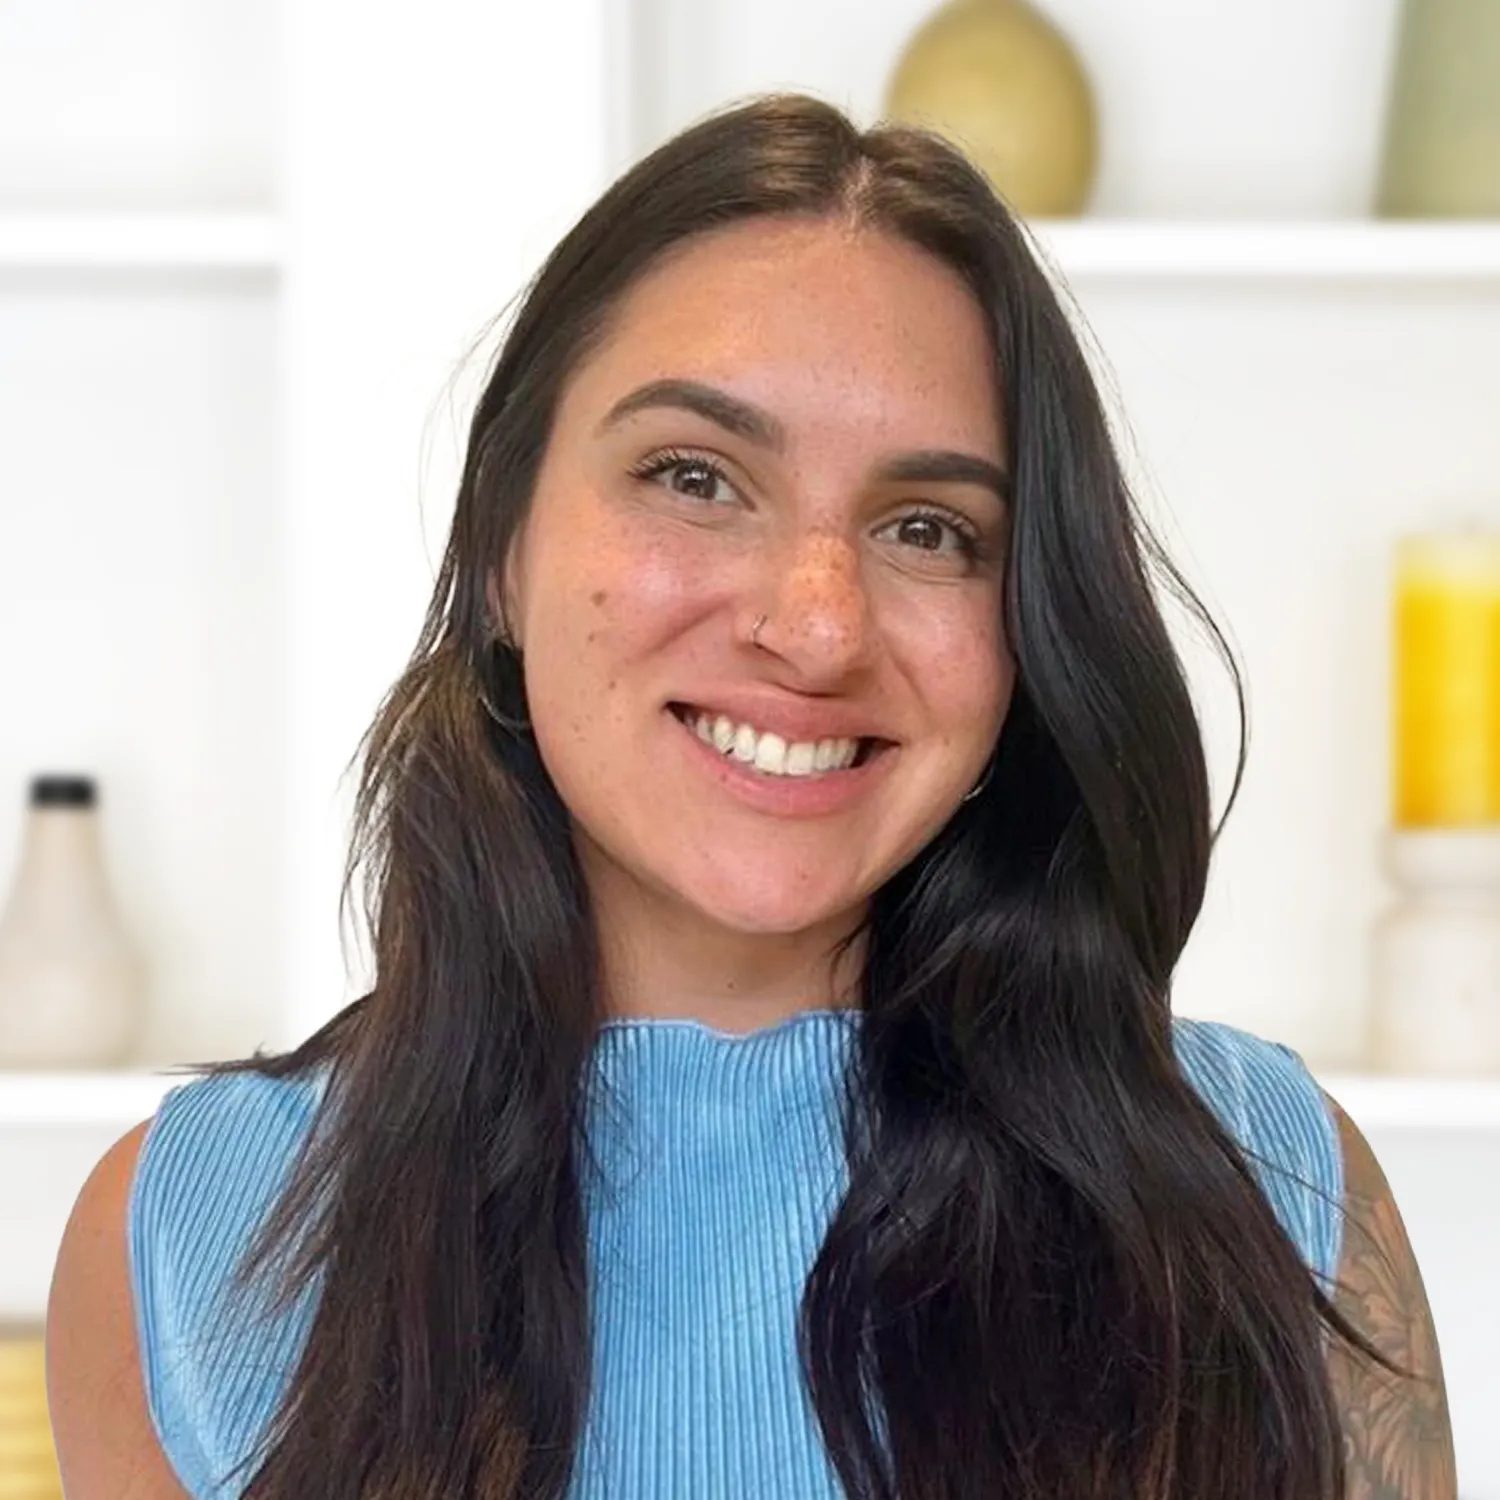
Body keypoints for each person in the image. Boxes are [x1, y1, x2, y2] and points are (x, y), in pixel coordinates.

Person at [46, 93, 1455, 1500]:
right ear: (501, 547)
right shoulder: (187, 1241)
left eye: (928, 529)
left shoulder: (1276, 1192)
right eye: (696, 477)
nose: (819, 626)